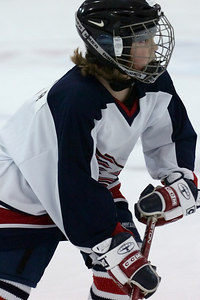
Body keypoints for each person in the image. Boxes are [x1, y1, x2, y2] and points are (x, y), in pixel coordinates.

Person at [0, 0, 198, 299]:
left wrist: (179, 180)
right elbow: (71, 184)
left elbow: (170, 133)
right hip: (18, 193)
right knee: (7, 289)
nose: (153, 45)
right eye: (142, 39)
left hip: (87, 186)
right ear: (111, 44)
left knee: (122, 284)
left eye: (152, 35)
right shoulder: (75, 99)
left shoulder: (153, 81)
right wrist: (112, 245)